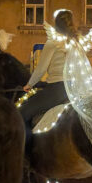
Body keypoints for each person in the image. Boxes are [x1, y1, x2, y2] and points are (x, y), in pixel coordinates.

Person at [19, 9, 76, 152]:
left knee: (22, 112)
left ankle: (25, 152)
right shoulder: (77, 42)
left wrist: (29, 84)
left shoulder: (53, 42)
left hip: (58, 89)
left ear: (56, 24)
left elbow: (41, 69)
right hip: (76, 88)